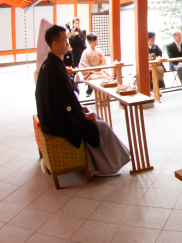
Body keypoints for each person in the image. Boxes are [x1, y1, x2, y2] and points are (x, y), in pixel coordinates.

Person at [35, 25, 130, 177]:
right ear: (55, 44)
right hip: (59, 123)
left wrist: (79, 109)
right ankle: (105, 167)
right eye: (65, 40)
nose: (68, 44)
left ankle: (110, 162)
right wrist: (82, 116)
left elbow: (63, 100)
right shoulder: (55, 68)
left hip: (53, 119)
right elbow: (64, 105)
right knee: (100, 127)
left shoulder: (49, 64)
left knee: (94, 118)